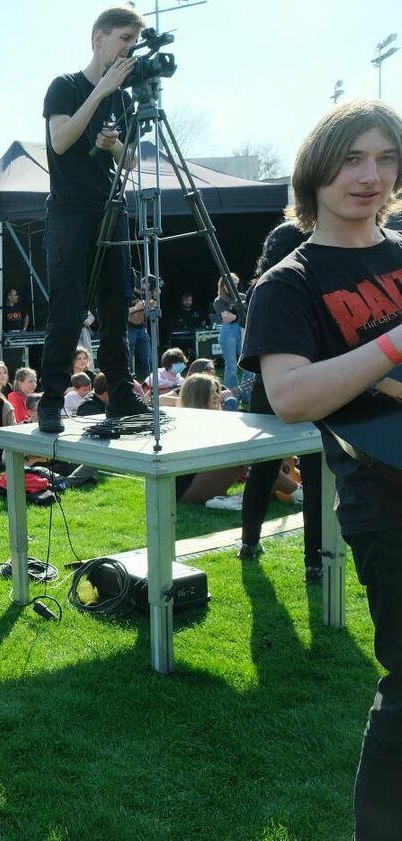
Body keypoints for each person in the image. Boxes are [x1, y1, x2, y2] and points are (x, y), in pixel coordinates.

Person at [239, 100, 402, 840]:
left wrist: (369, 370)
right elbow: (294, 394)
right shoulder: (288, 282)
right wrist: (394, 350)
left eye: (386, 158)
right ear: (316, 169)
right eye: (351, 159)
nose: (370, 176)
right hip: (385, 498)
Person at [36, 5, 149, 434]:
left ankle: (121, 391)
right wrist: (99, 90)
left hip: (111, 209)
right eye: (123, 40)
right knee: (67, 310)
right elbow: (60, 142)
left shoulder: (124, 97)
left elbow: (133, 160)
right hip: (68, 213)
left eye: (132, 43)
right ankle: (50, 400)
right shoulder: (64, 86)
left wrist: (116, 145)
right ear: (97, 38)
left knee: (116, 308)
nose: (128, 50)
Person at [237, 220, 323, 578]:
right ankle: (315, 560)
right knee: (316, 469)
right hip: (308, 377)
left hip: (267, 384)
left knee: (264, 467)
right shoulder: (305, 284)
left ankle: (248, 541)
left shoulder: (259, 287)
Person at [213, 273, 246, 392]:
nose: (235, 287)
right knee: (231, 365)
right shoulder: (219, 300)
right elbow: (226, 318)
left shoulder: (242, 297)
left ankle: (247, 393)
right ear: (224, 286)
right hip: (228, 331)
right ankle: (232, 392)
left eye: (236, 284)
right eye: (232, 284)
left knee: (247, 361)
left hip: (242, 329)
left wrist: (236, 316)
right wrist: (239, 316)